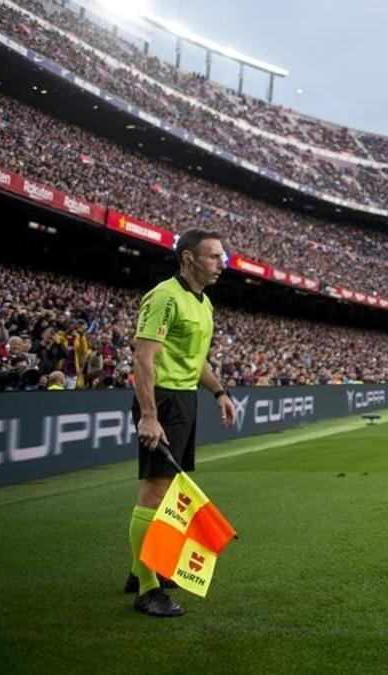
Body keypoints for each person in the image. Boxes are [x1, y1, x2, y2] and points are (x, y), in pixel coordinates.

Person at [126, 229, 236, 617]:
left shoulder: (205, 304)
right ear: (188, 258)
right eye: (213, 256)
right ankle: (146, 588)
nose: (222, 263)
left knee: (168, 489)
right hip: (163, 401)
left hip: (185, 400)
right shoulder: (163, 296)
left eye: (222, 256)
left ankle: (141, 567)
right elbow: (144, 358)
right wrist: (149, 415)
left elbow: (198, 361)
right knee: (153, 492)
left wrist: (219, 392)